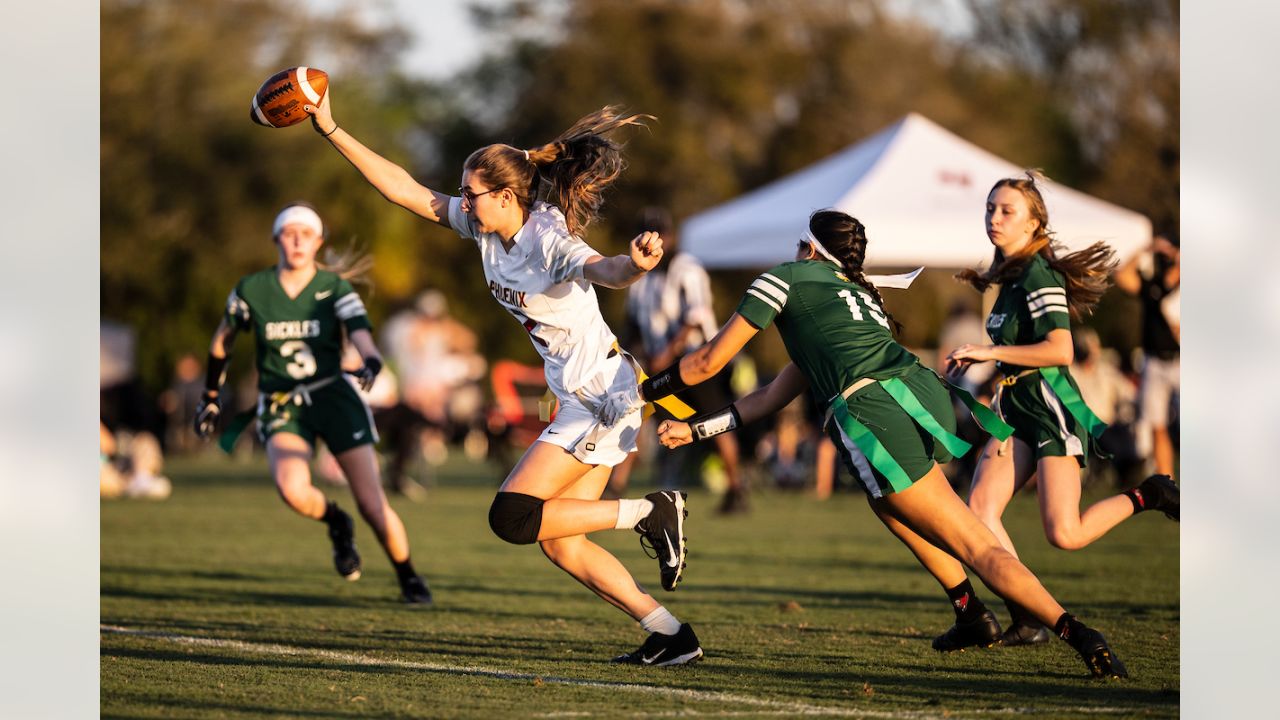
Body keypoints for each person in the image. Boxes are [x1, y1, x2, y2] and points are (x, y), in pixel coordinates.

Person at [607, 209, 1131, 679]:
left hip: (872, 410)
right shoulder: (849, 294)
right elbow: (769, 396)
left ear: (809, 248)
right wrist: (696, 429)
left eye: (798, 244)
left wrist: (642, 393)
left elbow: (706, 363)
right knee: (892, 509)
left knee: (973, 542)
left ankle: (1077, 633)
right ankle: (970, 613)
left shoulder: (785, 278)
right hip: (912, 395)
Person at [302, 95, 702, 666]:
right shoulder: (488, 228)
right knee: (561, 543)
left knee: (511, 518)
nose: (462, 201)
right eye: (463, 192)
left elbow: (604, 269)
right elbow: (405, 189)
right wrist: (332, 129)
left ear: (507, 196)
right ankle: (671, 635)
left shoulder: (548, 239)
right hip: (579, 396)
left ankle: (653, 510)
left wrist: (634, 265)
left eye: (472, 193)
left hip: (602, 399)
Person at [945, 173, 1178, 646]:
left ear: (1034, 223)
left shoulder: (1037, 273)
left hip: (1049, 408)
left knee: (1065, 533)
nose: (994, 218)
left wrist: (990, 354)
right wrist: (987, 371)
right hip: (1015, 408)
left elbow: (1060, 350)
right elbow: (1017, 350)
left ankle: (1149, 494)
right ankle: (1027, 615)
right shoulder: (1010, 274)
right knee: (981, 512)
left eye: (1007, 210)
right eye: (990, 208)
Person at [193, 202, 433, 605]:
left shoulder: (334, 289)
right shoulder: (253, 289)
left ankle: (407, 574)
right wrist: (210, 396)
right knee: (291, 489)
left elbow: (360, 334)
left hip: (332, 395)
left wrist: (372, 361)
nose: (298, 239)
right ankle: (336, 521)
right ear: (277, 240)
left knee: (373, 504)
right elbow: (223, 340)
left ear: (319, 241)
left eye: (307, 233)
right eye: (290, 232)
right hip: (283, 400)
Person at [613, 207, 747, 513]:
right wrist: (629, 352)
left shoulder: (687, 268)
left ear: (670, 238)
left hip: (697, 362)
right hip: (660, 363)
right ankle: (615, 487)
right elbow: (633, 321)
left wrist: (668, 352)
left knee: (716, 421)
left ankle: (737, 488)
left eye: (659, 236)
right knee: (637, 417)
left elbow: (696, 318)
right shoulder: (639, 273)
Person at [1112, 231, 1180, 477]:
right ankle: (1166, 481)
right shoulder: (1154, 284)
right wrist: (1147, 248)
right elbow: (1122, 276)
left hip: (1182, 363)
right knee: (1157, 425)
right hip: (1154, 361)